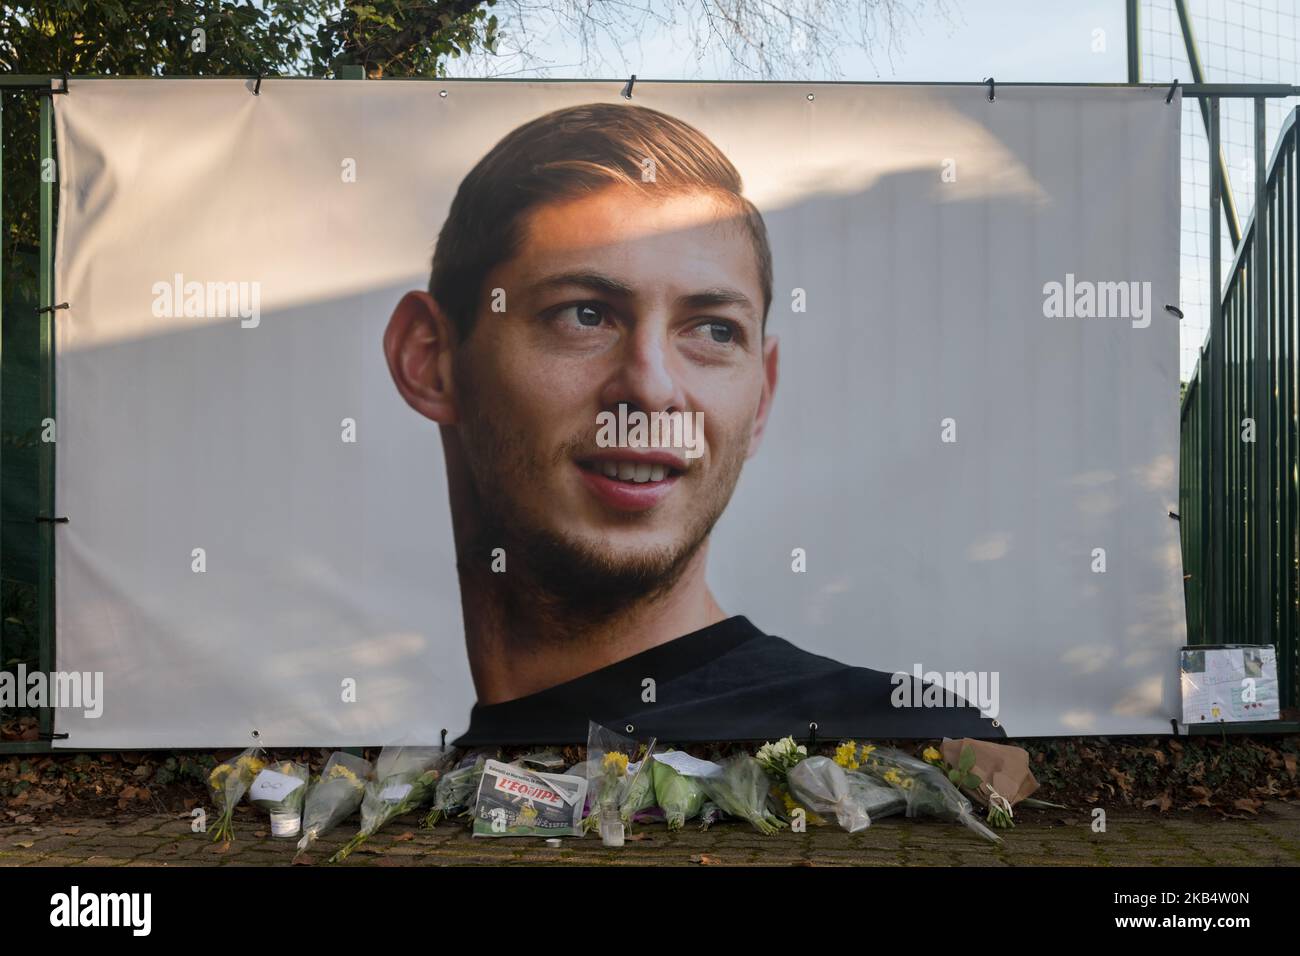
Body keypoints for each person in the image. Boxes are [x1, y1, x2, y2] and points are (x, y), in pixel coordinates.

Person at [383, 102, 1004, 745]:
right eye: (584, 315)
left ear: (761, 398)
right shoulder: (403, 799)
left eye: (712, 330)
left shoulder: (899, 751)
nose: (652, 391)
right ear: (430, 359)